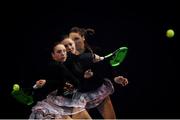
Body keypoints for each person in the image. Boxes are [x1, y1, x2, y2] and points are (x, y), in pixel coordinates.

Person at [61, 33, 128, 119]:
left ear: (83, 38)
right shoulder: (67, 62)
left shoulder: (95, 51)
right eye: (69, 42)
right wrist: (83, 77)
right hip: (81, 97)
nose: (73, 43)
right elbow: (70, 84)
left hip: (98, 91)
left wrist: (115, 78)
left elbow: (107, 70)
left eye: (76, 39)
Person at [29, 42, 92, 119]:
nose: (63, 53)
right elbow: (70, 84)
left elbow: (73, 84)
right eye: (59, 52)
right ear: (53, 55)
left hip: (67, 100)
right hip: (53, 104)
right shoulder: (54, 66)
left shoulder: (65, 65)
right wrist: (43, 84)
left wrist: (83, 77)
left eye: (64, 51)